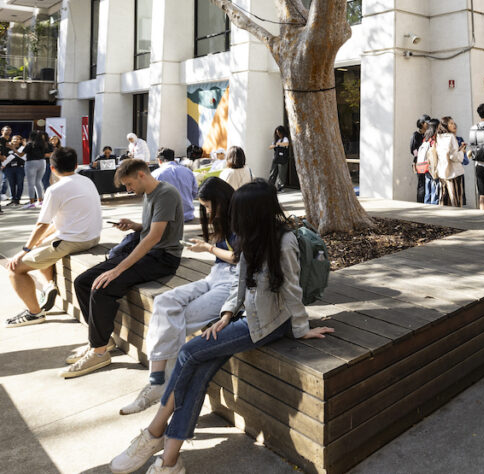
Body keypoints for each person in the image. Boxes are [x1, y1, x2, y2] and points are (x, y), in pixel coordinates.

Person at [109, 180, 334, 474]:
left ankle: (154, 433)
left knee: (190, 352)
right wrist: (227, 314)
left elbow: (291, 289)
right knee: (199, 368)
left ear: (254, 211)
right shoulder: (250, 235)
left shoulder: (284, 241)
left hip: (269, 323)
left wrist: (302, 328)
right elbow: (240, 283)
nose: (233, 217)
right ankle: (169, 461)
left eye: (240, 211)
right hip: (244, 316)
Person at [119, 177, 239, 415]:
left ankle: (159, 385)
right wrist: (208, 246)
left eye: (208, 205)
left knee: (178, 319)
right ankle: (158, 382)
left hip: (234, 283)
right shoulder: (224, 219)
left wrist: (209, 248)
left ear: (221, 200)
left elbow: (240, 258)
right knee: (164, 302)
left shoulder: (244, 217)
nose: (206, 211)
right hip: (214, 276)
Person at [66, 159, 183, 379]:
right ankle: (101, 341)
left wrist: (118, 269)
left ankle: (99, 352)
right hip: (148, 251)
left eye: (129, 184)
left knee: (102, 286)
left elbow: (154, 238)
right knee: (82, 282)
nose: (129, 190)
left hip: (162, 257)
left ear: (141, 175)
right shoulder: (150, 194)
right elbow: (150, 230)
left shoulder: (165, 193)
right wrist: (134, 225)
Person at [5, 147, 102, 327]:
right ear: (75, 165)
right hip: (92, 236)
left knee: (15, 268)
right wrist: (35, 243)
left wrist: (24, 250)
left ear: (52, 168)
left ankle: (35, 313)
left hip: (74, 241)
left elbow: (42, 224)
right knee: (41, 244)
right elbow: (58, 223)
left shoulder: (55, 189)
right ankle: (49, 285)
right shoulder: (87, 181)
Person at [154, 148, 199, 222]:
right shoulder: (188, 171)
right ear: (174, 159)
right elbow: (194, 192)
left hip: (165, 218)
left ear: (159, 160)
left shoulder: (156, 174)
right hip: (187, 215)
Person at [435, 117, 468, 207]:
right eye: (451, 123)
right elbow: (453, 156)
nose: (454, 125)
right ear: (446, 125)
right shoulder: (451, 137)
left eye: (454, 123)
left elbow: (447, 153)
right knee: (456, 200)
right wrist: (462, 152)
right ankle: (457, 219)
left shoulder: (439, 137)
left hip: (443, 172)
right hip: (454, 172)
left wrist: (459, 150)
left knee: (444, 200)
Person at [22, 130, 51, 209]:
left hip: (31, 163)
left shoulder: (30, 144)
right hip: (42, 162)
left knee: (31, 183)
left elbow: (21, 154)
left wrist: (13, 148)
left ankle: (31, 202)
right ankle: (40, 201)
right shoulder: (44, 144)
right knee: (38, 182)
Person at [411, 115, 430, 203]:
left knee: (428, 183)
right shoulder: (416, 135)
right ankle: (420, 203)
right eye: (427, 122)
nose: (428, 124)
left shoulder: (429, 134)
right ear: (422, 123)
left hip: (428, 162)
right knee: (421, 183)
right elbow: (413, 149)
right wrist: (419, 156)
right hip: (419, 163)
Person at [3, 134, 26, 206]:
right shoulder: (7, 148)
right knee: (11, 184)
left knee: (20, 184)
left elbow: (24, 158)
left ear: (20, 141)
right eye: (14, 139)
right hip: (9, 168)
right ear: (11, 140)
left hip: (20, 168)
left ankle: (17, 199)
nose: (15, 140)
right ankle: (13, 199)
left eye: (17, 139)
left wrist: (14, 150)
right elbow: (4, 158)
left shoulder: (23, 148)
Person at [267, 125, 290, 192]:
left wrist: (278, 144)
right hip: (276, 158)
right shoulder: (276, 140)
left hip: (283, 159)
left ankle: (281, 187)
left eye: (279, 133)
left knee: (281, 174)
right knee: (273, 173)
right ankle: (270, 186)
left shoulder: (285, 139)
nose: (278, 134)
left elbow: (286, 144)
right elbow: (270, 147)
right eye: (277, 133)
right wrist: (275, 144)